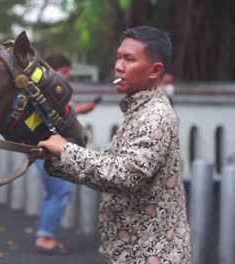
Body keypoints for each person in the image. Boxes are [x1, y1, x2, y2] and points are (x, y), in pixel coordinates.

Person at [38, 26, 191, 263]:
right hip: (131, 251)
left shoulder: (156, 117)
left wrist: (66, 150)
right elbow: (106, 169)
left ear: (155, 70)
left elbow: (124, 175)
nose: (118, 66)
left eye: (129, 59)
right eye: (119, 57)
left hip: (152, 254)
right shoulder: (138, 112)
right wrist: (51, 157)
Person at [34, 53, 96, 255]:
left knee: (55, 192)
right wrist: (78, 110)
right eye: (64, 73)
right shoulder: (47, 91)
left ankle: (44, 234)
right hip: (48, 149)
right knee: (60, 191)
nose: (67, 77)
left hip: (44, 148)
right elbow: (55, 118)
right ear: (52, 71)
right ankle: (45, 238)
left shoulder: (42, 90)